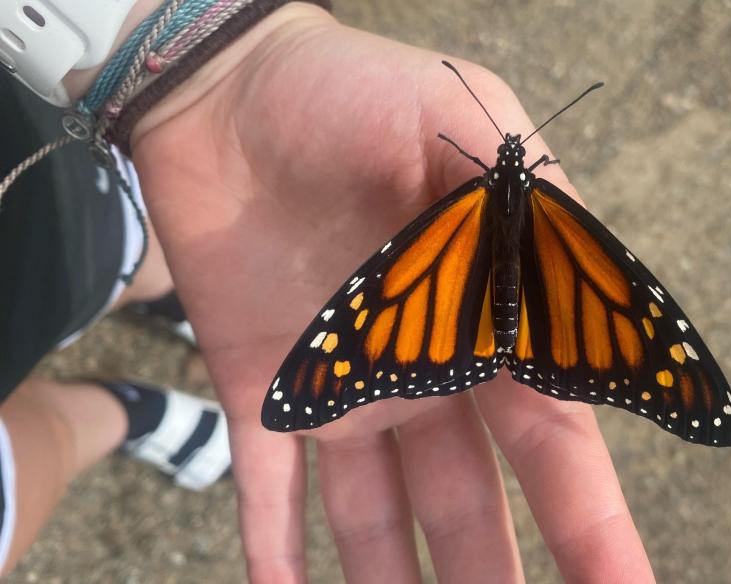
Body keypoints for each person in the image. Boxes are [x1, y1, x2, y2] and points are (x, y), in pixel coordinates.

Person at [1, 2, 656, 581]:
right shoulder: (543, 216)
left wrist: (186, 42)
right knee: (81, 257)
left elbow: (396, 308)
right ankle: (145, 317)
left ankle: (143, 281)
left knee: (79, 252)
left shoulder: (473, 204)